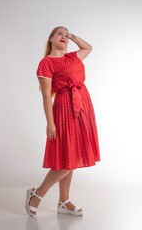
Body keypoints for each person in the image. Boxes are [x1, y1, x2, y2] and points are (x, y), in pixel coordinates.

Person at [25, 26, 100, 217]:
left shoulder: (73, 58)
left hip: (83, 108)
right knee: (67, 158)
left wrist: (71, 36)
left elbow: (88, 48)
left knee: (73, 155)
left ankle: (63, 201)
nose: (64, 37)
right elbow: (45, 97)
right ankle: (37, 194)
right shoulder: (46, 63)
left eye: (66, 35)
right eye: (60, 33)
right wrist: (50, 123)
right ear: (50, 39)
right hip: (65, 109)